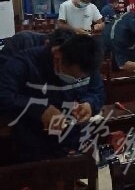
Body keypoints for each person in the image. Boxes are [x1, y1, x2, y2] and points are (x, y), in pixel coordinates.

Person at [0, 34, 104, 162]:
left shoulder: (87, 63)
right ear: (57, 56)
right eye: (71, 76)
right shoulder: (24, 63)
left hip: (75, 140)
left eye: (81, 78)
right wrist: (39, 110)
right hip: (34, 145)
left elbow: (97, 91)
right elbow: (4, 96)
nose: (76, 80)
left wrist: (90, 104)